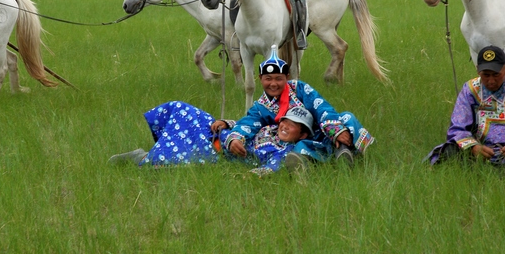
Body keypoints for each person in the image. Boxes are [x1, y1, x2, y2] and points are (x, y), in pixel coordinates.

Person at [223, 46, 375, 171]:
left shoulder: (299, 88)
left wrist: (335, 130)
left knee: (347, 117)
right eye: (268, 79)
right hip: (299, 138)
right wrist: (236, 137)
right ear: (260, 79)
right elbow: (248, 123)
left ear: (287, 77)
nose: (273, 84)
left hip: (323, 130)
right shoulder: (260, 106)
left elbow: (321, 107)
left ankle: (343, 150)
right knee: (299, 148)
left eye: (279, 79)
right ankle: (305, 163)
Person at [108, 101, 313, 176]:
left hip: (214, 152)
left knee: (164, 166)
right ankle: (163, 144)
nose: (286, 126)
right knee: (179, 107)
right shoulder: (269, 127)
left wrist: (250, 175)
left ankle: (141, 156)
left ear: (302, 134)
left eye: (294, 126)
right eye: (286, 121)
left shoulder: (283, 151)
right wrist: (226, 123)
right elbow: (243, 125)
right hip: (214, 131)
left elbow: (271, 168)